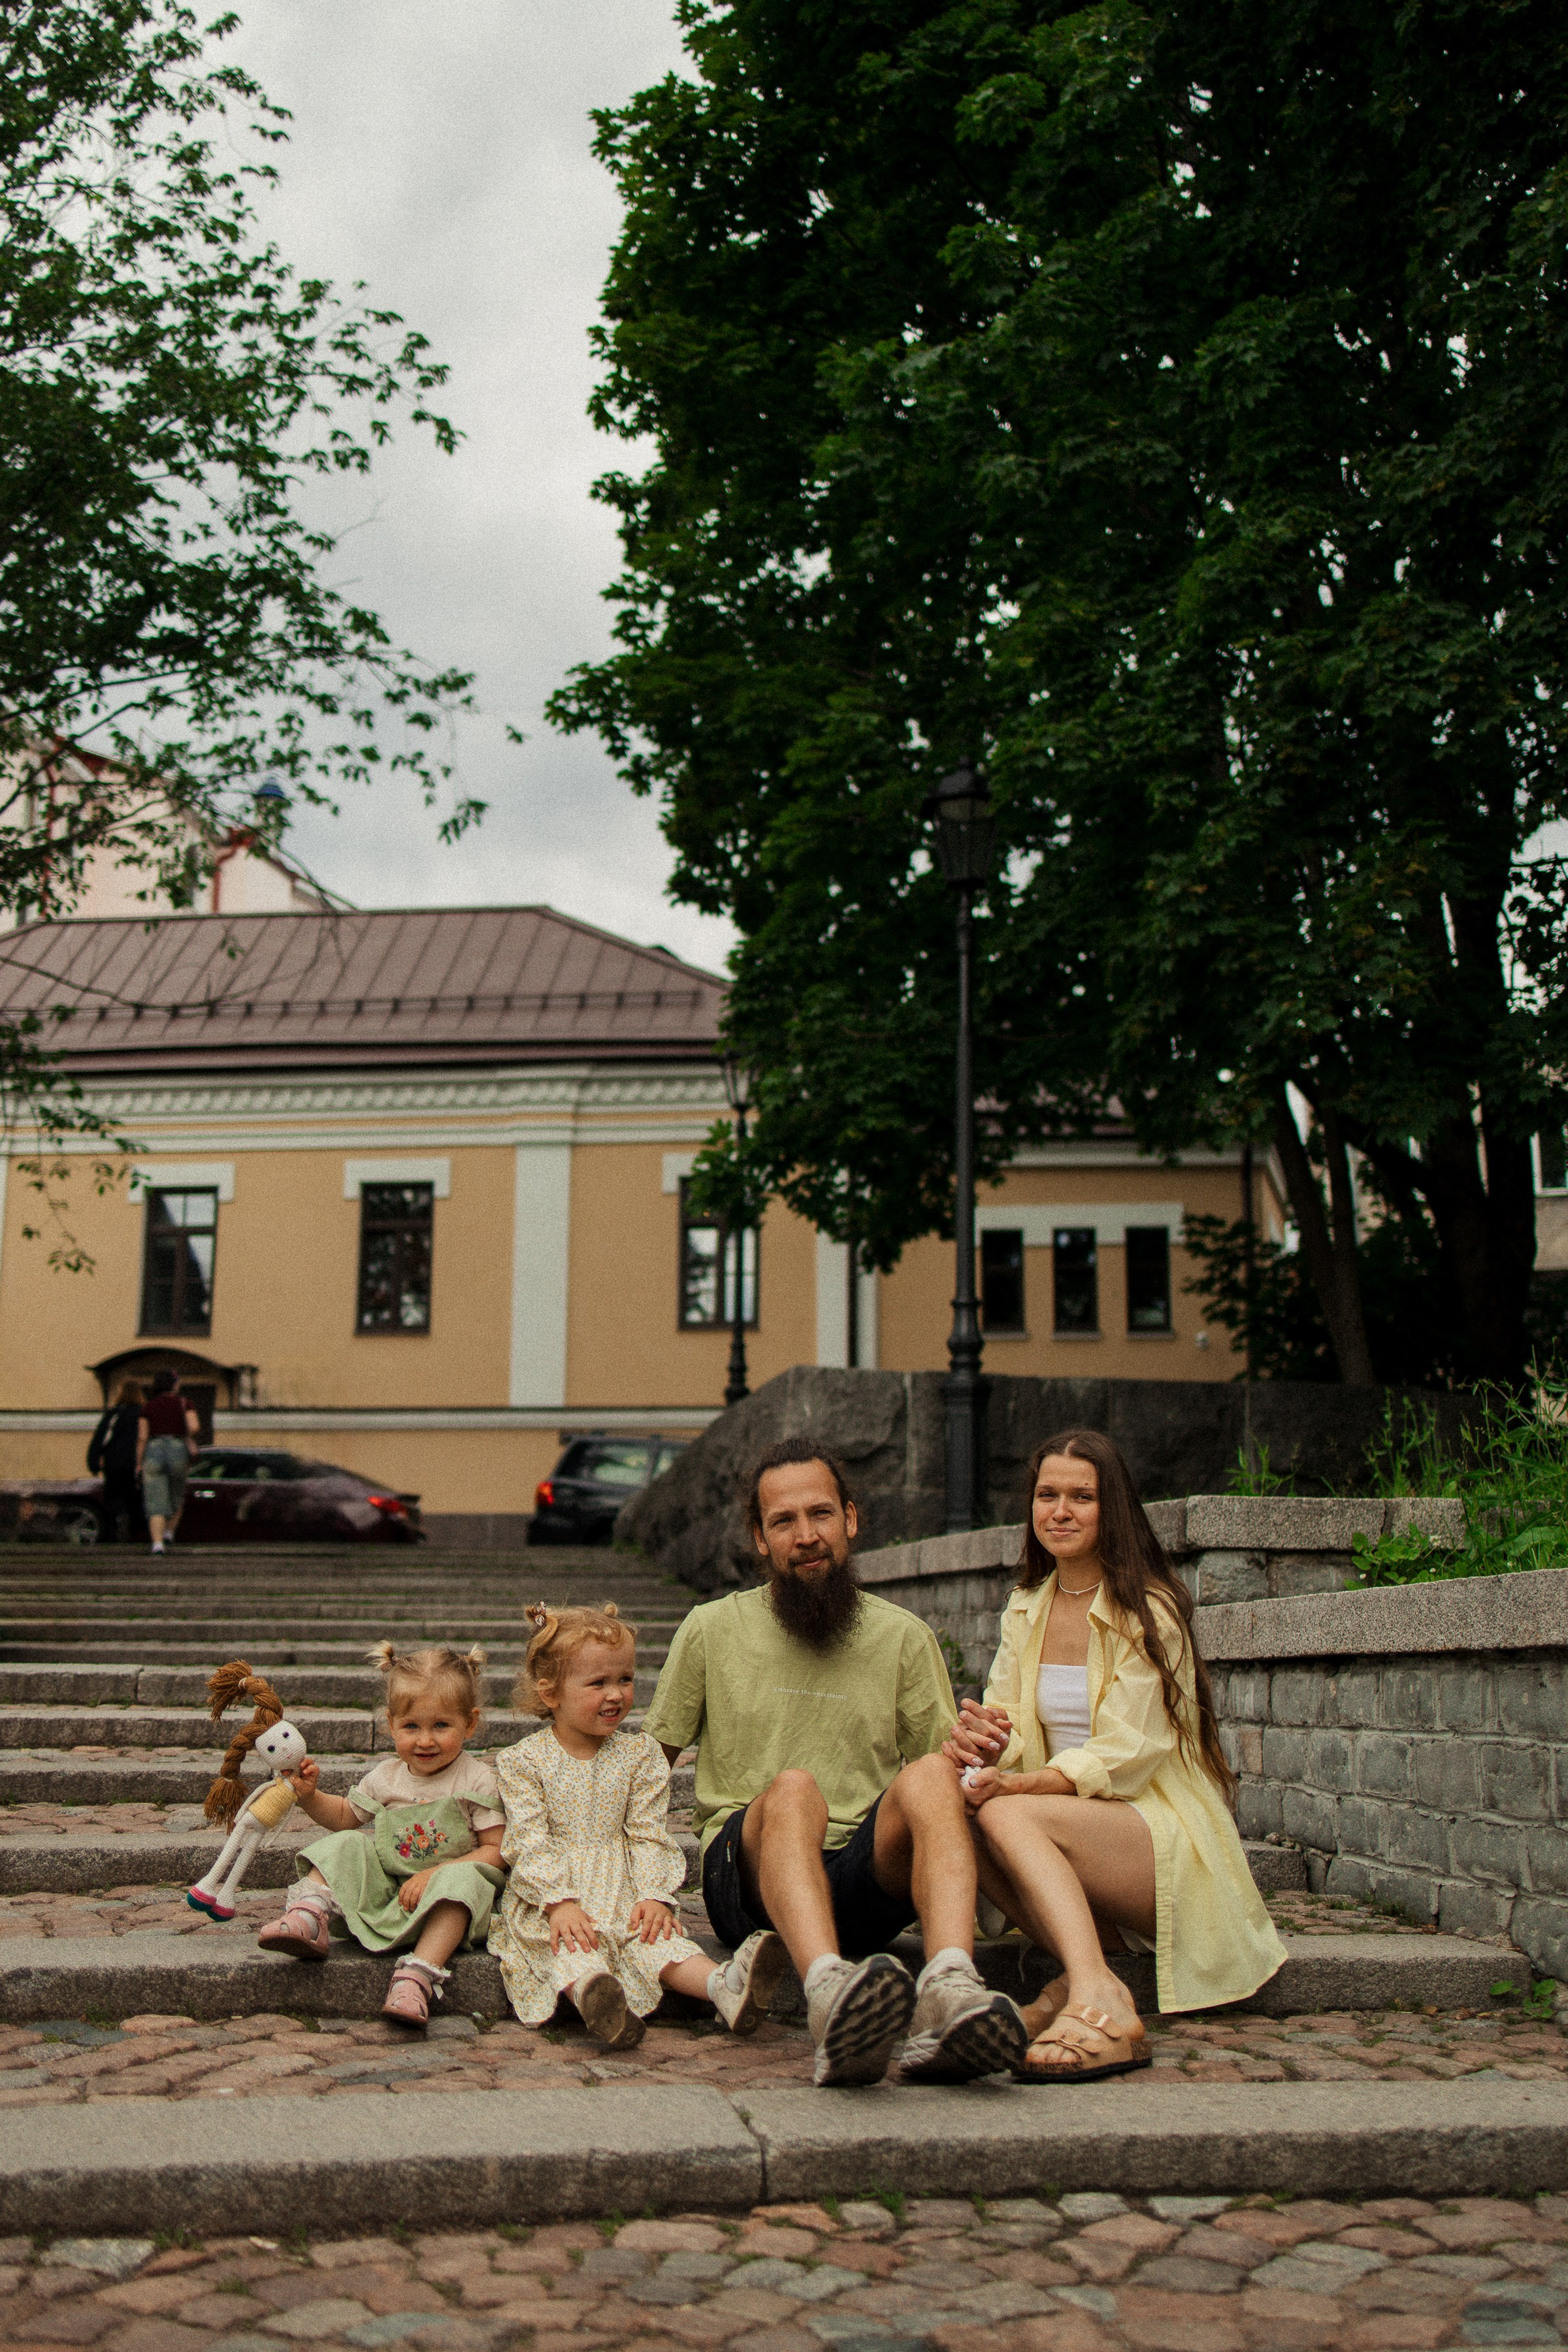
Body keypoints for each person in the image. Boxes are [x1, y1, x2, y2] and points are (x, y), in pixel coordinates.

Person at [642, 1435, 1028, 2088]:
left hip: (864, 1879)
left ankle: (951, 1986)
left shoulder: (903, 1636)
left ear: (851, 1520)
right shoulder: (710, 1629)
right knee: (795, 1789)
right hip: (749, 1876)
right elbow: (647, 1767)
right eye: (783, 1522)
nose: (806, 1535)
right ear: (760, 1540)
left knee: (931, 1774)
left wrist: (974, 1752)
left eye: (820, 1514)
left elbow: (939, 1778)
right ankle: (828, 1995)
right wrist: (638, 1884)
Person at [947, 1428, 1288, 2081]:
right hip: (1067, 1829)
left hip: (1156, 1834)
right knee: (954, 1805)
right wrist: (981, 1746)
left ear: (1115, 1510)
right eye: (1048, 1495)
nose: (1061, 1511)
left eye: (1083, 1496)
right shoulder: (1027, 1608)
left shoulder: (1150, 1611)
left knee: (1006, 1816)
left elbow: (1130, 1753)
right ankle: (1087, 1978)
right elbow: (1011, 1722)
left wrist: (1020, 1790)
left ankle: (1093, 1996)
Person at [489, 1601, 788, 2050]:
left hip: (623, 1884)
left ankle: (725, 1987)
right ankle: (597, 2000)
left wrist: (652, 1894)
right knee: (571, 1947)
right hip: (557, 1894)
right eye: (598, 1683)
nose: (616, 1694)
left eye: (625, 1679)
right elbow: (529, 1841)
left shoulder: (640, 1757)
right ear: (551, 1693)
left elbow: (648, 1832)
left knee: (658, 1940)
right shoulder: (524, 1762)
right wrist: (558, 1902)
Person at [256, 1641, 506, 2027]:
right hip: (392, 1896)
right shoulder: (385, 1777)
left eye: (441, 1725)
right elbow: (343, 1817)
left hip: (446, 1907)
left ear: (469, 1724)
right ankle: (309, 1917)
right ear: (391, 1724)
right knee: (349, 1843)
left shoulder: (477, 1779)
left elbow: (497, 1851)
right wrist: (310, 1797)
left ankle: (417, 1977)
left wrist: (435, 1875)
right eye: (411, 1727)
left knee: (463, 1881)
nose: (425, 1740)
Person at [136, 1369, 200, 1554]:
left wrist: (139, 1463)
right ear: (174, 1384)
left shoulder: (148, 1407)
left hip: (154, 1450)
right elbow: (195, 1427)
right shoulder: (185, 1403)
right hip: (178, 1449)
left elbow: (142, 1438)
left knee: (156, 1500)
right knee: (177, 1495)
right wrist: (185, 1434)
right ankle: (169, 1532)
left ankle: (157, 1545)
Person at [88, 1379, 144, 1543]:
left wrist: (93, 1463)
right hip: (135, 1463)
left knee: (113, 1496)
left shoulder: (114, 1414)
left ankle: (119, 1519)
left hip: (113, 1463)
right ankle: (132, 1530)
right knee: (133, 1497)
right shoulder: (143, 1414)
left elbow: (100, 1439)